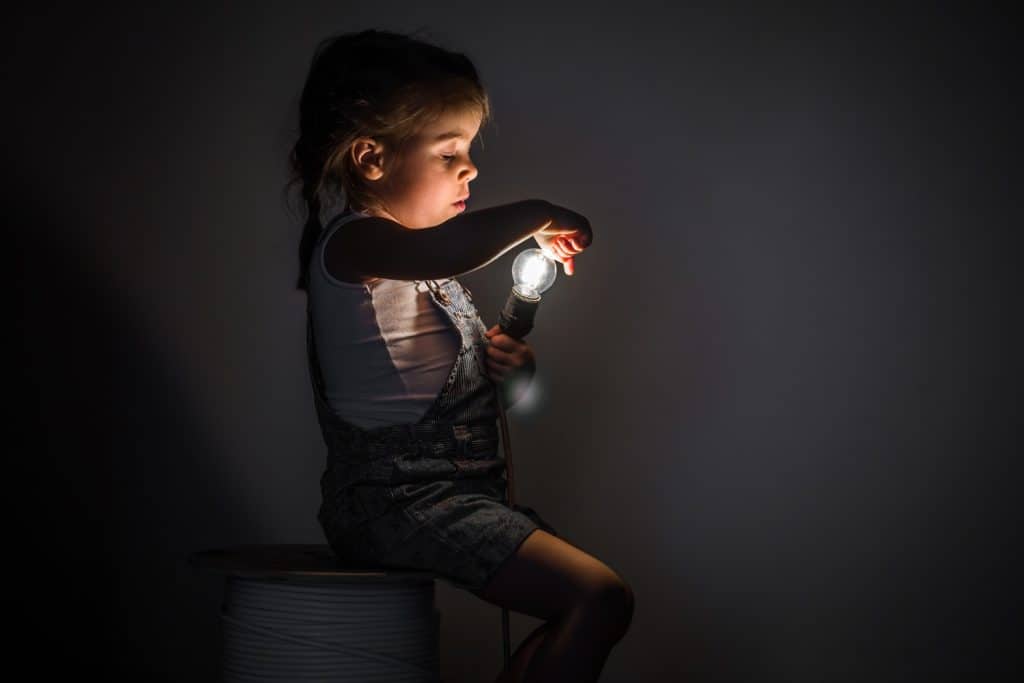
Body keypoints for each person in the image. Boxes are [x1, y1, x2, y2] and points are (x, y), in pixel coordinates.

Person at [287, 28, 634, 682]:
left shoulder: (430, 278)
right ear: (370, 158)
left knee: (593, 602)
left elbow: (457, 392)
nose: (470, 167)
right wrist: (539, 213)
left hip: (458, 491)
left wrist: (514, 374)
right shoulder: (356, 246)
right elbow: (446, 249)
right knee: (598, 597)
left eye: (469, 150)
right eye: (450, 152)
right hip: (398, 500)